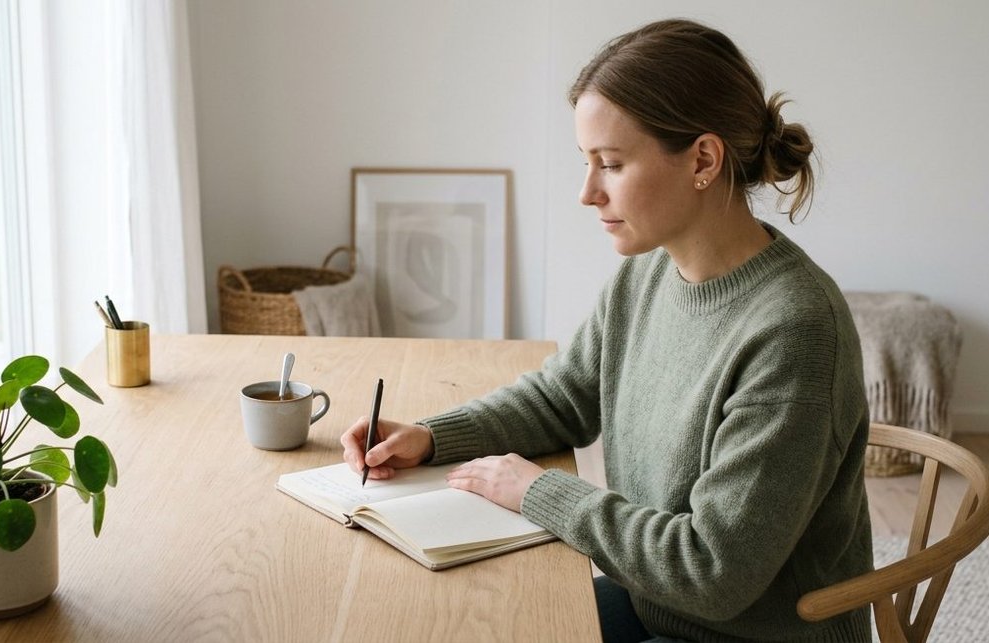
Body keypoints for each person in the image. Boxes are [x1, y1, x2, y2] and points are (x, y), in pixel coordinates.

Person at [339, 18, 874, 643]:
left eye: (611, 164)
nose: (587, 192)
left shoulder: (794, 332)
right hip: (656, 605)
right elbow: (562, 398)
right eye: (586, 162)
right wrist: (430, 436)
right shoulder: (648, 273)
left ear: (703, 158)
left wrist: (541, 493)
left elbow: (713, 571)